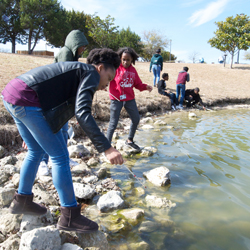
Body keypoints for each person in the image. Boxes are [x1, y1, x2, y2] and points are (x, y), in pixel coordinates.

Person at [1, 48, 124, 233]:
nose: (107, 85)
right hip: (27, 99)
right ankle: (69, 216)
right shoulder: (90, 73)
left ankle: (22, 202)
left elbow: (60, 109)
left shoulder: (78, 72)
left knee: (36, 150)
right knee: (59, 156)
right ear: (100, 68)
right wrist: (106, 148)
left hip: (12, 94)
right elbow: (83, 113)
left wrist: (36, 133)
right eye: (109, 78)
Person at [36, 30, 89, 175]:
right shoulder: (65, 53)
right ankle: (43, 161)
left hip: (62, 100)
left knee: (64, 131)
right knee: (52, 130)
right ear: (75, 44)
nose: (83, 49)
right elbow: (64, 77)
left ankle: (62, 158)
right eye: (82, 46)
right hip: (55, 100)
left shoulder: (72, 56)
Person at [106, 47, 152, 150]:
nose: (125, 62)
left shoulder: (133, 70)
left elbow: (137, 84)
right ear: (120, 58)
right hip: (116, 99)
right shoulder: (115, 68)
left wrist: (145, 87)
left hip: (129, 99)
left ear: (132, 60)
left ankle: (129, 141)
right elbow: (106, 77)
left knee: (136, 119)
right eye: (123, 59)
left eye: (128, 60)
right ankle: (107, 146)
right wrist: (103, 84)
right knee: (113, 123)